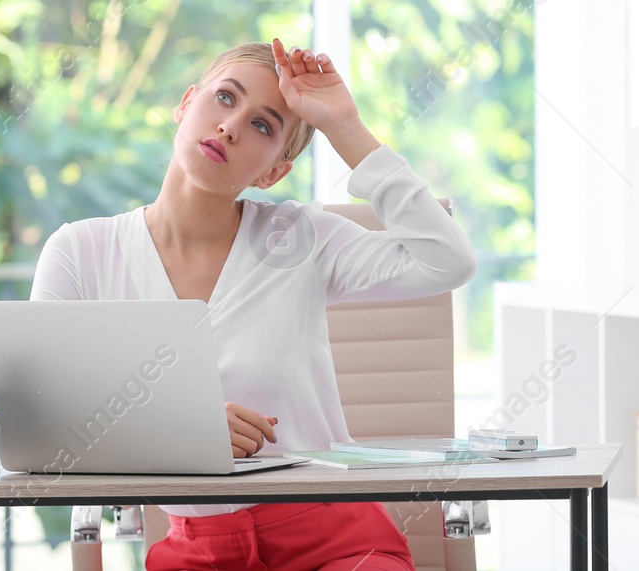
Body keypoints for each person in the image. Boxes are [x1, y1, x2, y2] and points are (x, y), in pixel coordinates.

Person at [30, 38, 478, 571]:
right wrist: (181, 430)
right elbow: (41, 422)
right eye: (224, 98)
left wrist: (345, 128)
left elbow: (448, 261)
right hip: (198, 548)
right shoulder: (80, 253)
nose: (231, 126)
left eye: (263, 126)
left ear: (273, 173)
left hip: (337, 539)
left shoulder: (302, 239)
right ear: (185, 102)